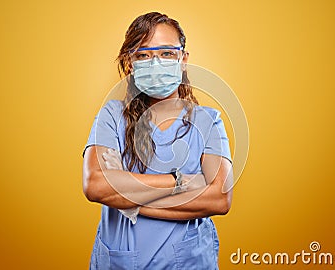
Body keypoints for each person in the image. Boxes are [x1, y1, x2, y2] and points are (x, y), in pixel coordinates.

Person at [82, 12, 233, 269]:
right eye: (143, 55)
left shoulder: (208, 121)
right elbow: (96, 185)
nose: (155, 64)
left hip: (189, 262)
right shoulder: (111, 115)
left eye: (166, 54)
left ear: (183, 60)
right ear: (131, 64)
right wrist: (179, 181)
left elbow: (219, 199)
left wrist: (130, 200)